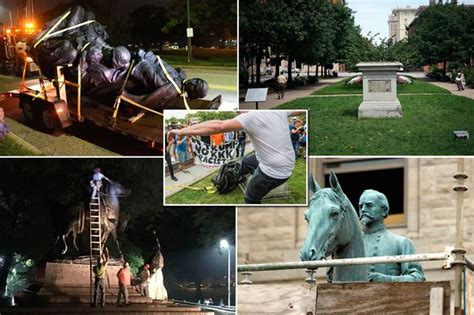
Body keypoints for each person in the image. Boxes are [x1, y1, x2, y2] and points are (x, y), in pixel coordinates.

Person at [167, 111, 306, 204]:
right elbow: (298, 110)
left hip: (274, 171)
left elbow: (217, 126)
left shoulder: (249, 117)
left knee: (249, 198)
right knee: (245, 161)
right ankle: (233, 178)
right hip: (285, 160)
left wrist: (182, 131)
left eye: (238, 114)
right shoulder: (277, 111)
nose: (237, 117)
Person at [358, 189, 425, 282]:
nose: (363, 209)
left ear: (384, 211)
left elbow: (418, 278)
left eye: (369, 205)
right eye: (361, 206)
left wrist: (388, 279)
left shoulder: (401, 242)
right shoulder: (350, 244)